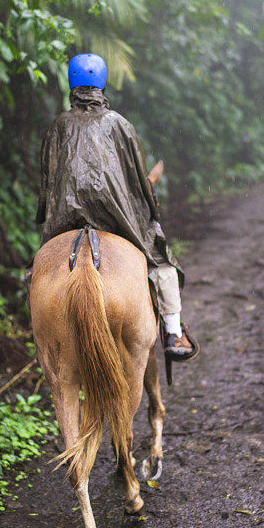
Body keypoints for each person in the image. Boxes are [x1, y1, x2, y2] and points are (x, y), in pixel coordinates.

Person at [33, 52, 197, 360]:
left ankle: (41, 336)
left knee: (37, 269)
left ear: (72, 82)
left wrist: (47, 214)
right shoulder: (121, 125)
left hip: (65, 222)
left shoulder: (58, 127)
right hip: (116, 220)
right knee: (160, 261)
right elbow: (137, 182)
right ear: (102, 83)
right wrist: (150, 208)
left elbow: (48, 183)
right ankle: (174, 332)